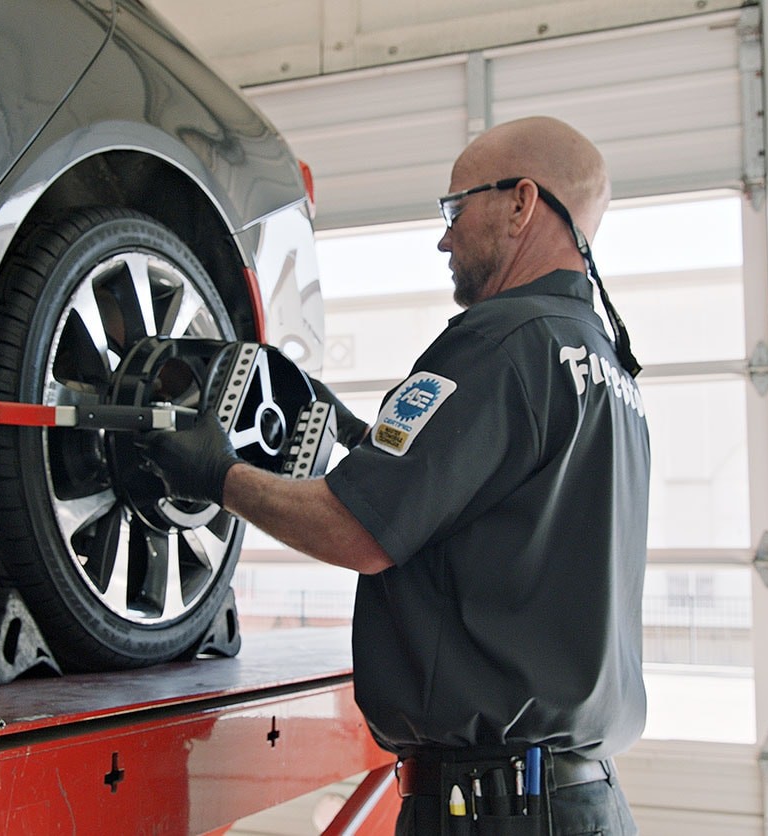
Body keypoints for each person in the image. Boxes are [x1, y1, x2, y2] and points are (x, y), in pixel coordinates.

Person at [143, 116, 650, 835]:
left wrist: (217, 474)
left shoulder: (499, 342)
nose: (444, 238)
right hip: (580, 803)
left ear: (520, 203)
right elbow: (500, 519)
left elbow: (357, 531)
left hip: (494, 812)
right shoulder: (603, 365)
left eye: (456, 208)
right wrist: (364, 443)